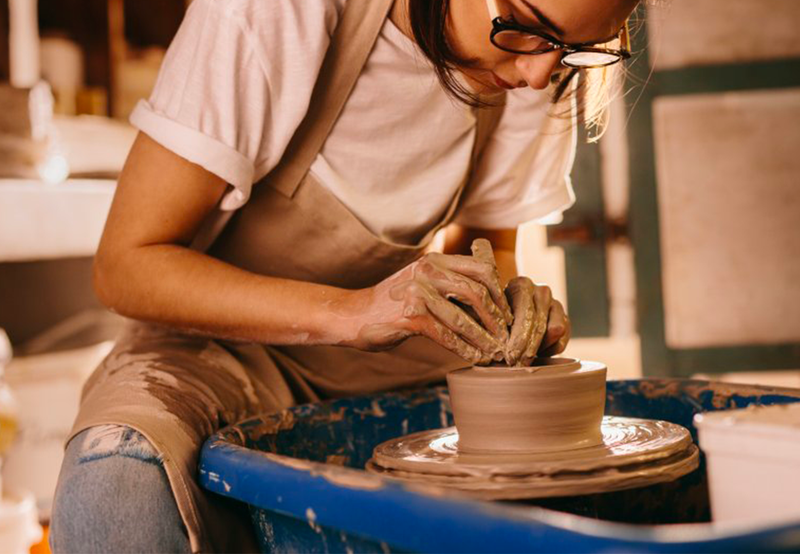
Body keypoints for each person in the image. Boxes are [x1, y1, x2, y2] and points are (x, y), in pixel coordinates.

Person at [50, 0, 638, 551]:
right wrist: (353, 313)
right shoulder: (281, 13)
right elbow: (126, 265)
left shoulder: (546, 63)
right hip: (217, 351)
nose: (538, 76)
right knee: (118, 481)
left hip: (401, 357)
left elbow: (487, 244)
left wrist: (504, 307)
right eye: (525, 26)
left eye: (577, 49)